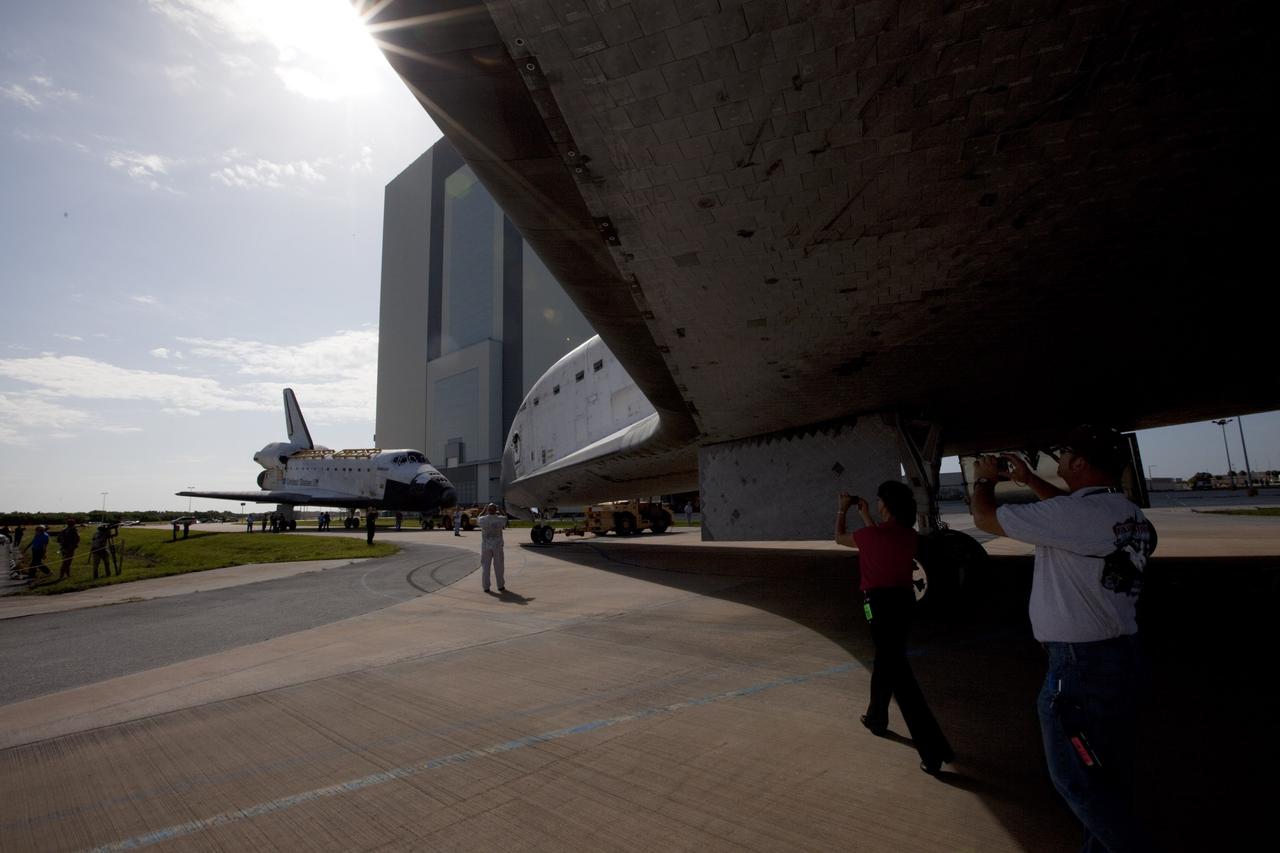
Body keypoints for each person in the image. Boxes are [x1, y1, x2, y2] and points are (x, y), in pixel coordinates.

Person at [970, 425, 1155, 852]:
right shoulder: (1123, 513)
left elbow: (983, 517)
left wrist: (985, 479)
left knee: (1075, 779)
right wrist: (1031, 480)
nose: (1061, 461)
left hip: (1079, 671)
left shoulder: (1078, 516)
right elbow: (1073, 520)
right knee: (1105, 776)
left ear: (1080, 464)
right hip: (1120, 659)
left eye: (1066, 455)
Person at [836, 482, 954, 774]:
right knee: (886, 661)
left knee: (900, 678)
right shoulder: (907, 536)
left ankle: (934, 749)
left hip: (878, 606)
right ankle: (877, 717)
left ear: (885, 506)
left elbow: (839, 538)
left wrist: (843, 509)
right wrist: (865, 515)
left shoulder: (871, 535)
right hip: (903, 603)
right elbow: (880, 538)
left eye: (878, 502)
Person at [477, 503, 507, 593]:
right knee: (499, 567)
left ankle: (486, 587)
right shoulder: (500, 519)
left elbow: (478, 518)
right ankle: (500, 586)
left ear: (488, 510)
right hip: (497, 546)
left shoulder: (483, 519)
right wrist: (500, 509)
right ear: (495, 510)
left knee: (486, 567)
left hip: (486, 546)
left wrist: (483, 511)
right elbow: (505, 517)